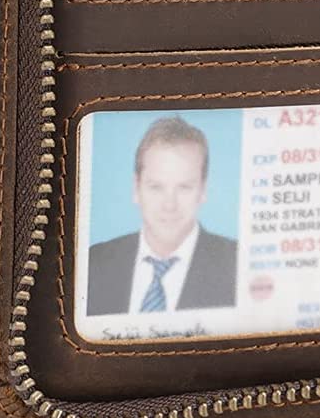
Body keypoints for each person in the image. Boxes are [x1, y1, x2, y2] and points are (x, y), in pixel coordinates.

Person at [85, 116, 238, 316]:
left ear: (203, 190)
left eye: (184, 187)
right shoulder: (93, 265)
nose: (169, 205)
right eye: (156, 187)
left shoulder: (238, 267)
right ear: (136, 188)